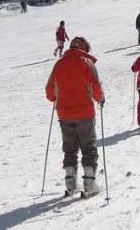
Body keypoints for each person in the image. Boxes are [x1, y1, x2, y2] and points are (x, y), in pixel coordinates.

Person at [45, 37, 104, 197]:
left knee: (69, 149)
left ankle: (71, 185)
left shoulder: (59, 64)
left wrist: (56, 97)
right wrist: (100, 99)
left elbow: (50, 92)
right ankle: (89, 184)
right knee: (88, 148)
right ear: (85, 48)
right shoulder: (87, 63)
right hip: (85, 113)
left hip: (64, 114)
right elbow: (95, 86)